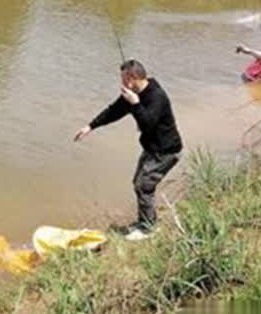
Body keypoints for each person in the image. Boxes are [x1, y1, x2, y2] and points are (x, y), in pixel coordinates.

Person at [73, 60, 183, 241]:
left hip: (167, 151)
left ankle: (148, 229)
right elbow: (114, 111)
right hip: (152, 148)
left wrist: (136, 103)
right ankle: (146, 221)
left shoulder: (157, 96)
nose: (122, 83)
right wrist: (90, 127)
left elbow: (147, 125)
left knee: (143, 185)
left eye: (123, 79)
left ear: (132, 78)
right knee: (139, 183)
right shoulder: (135, 93)